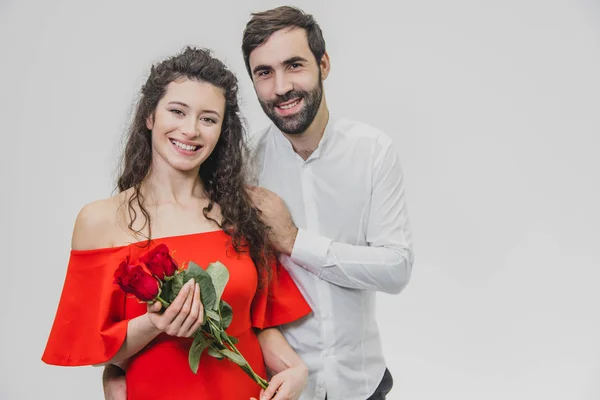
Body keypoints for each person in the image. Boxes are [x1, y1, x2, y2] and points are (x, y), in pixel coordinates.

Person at [42, 46, 311, 400]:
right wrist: (153, 323)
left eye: (208, 118)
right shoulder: (99, 221)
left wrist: (295, 370)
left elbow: (257, 324)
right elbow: (100, 351)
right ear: (150, 117)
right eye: (177, 111)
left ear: (221, 132)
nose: (191, 130)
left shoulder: (242, 212)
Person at [242, 6, 415, 400]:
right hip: (284, 389)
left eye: (294, 65)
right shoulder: (246, 169)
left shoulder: (373, 151)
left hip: (363, 383)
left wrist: (293, 240)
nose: (281, 87)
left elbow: (396, 268)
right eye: (264, 73)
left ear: (324, 64)